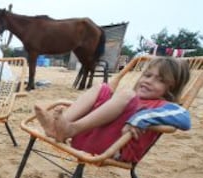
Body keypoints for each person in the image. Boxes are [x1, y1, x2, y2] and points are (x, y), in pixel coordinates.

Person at [35, 56, 191, 163]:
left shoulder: (163, 106)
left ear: (172, 87)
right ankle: (57, 129)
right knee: (103, 88)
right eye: (147, 75)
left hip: (113, 150)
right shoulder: (131, 99)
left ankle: (70, 129)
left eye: (160, 80)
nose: (149, 81)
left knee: (127, 94)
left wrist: (138, 120)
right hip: (90, 138)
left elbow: (185, 117)